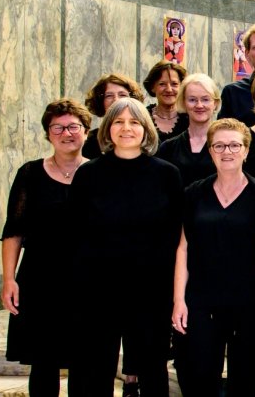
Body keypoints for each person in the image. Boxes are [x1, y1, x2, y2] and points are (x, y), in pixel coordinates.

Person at [67, 98, 183, 396]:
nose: (126, 128)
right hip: (98, 289)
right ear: (108, 128)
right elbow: (75, 233)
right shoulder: (89, 174)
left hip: (150, 288)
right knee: (95, 368)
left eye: (134, 122)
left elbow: (175, 235)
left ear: (146, 129)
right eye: (118, 122)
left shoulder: (167, 174)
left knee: (152, 367)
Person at [1, 99, 92, 397]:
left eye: (74, 127)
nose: (67, 133)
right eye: (58, 128)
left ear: (86, 131)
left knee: (84, 362)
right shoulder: (30, 173)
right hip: (39, 279)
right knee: (43, 362)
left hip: (86, 280)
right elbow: (14, 230)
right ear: (48, 134)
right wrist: (9, 279)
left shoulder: (98, 174)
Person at [171, 118, 255, 396]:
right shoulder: (194, 193)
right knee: (201, 376)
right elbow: (183, 248)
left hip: (248, 300)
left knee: (244, 379)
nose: (227, 151)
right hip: (202, 300)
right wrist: (179, 300)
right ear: (210, 151)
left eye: (235, 145)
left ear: (246, 150)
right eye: (219, 146)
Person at [157, 73, 220, 187]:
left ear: (215, 103)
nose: (199, 105)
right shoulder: (168, 148)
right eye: (192, 100)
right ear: (183, 103)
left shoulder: (228, 146)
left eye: (205, 99)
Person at [81, 73, 145, 159]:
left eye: (122, 95)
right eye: (109, 96)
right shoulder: (89, 142)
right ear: (100, 101)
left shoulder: (144, 137)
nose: (116, 100)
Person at [143, 61, 189, 142]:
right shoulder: (142, 118)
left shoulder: (190, 119)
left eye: (174, 84)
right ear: (152, 87)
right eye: (162, 84)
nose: (169, 89)